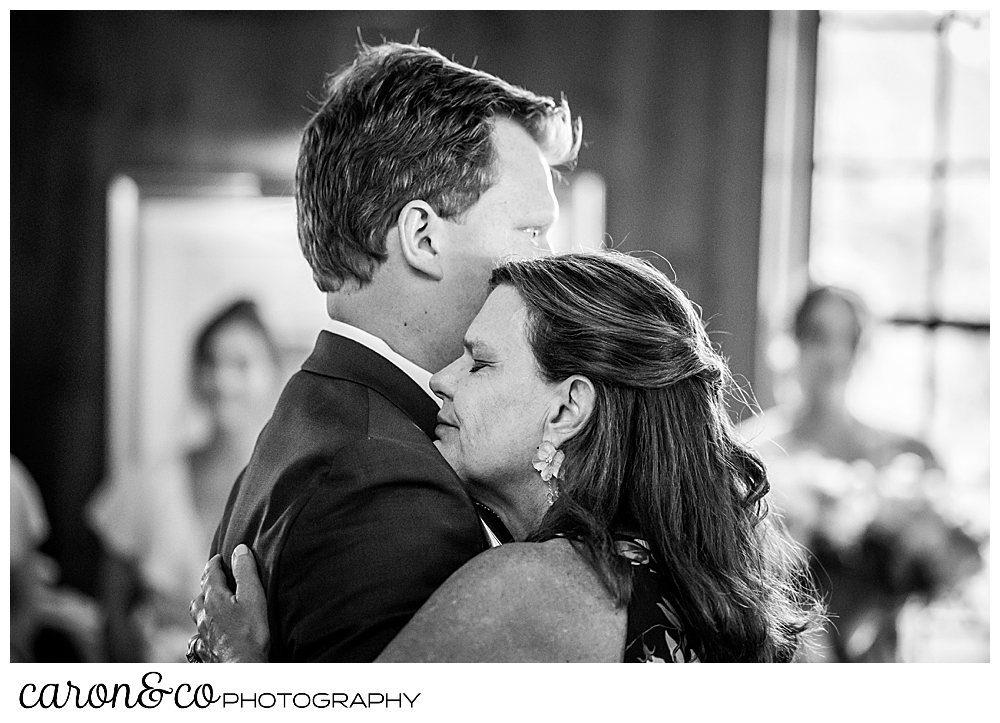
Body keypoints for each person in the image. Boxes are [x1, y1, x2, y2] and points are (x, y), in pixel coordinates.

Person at [192, 252, 821, 663]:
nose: (444, 379)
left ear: (566, 409)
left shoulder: (532, 592)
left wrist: (241, 674)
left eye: (481, 361)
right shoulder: (666, 584)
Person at [205, 41, 583, 662]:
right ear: (423, 238)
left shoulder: (320, 414)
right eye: (532, 232)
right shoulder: (382, 481)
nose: (549, 266)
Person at [742, 285, 980, 662]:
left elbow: (948, 568)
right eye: (818, 335)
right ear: (791, 340)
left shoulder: (905, 452)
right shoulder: (752, 448)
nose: (833, 355)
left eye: (847, 339)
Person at [87, 299, 282, 662]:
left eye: (241, 364)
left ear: (273, 372)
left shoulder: (287, 487)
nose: (223, 380)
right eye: (210, 361)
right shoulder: (151, 481)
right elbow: (110, 610)